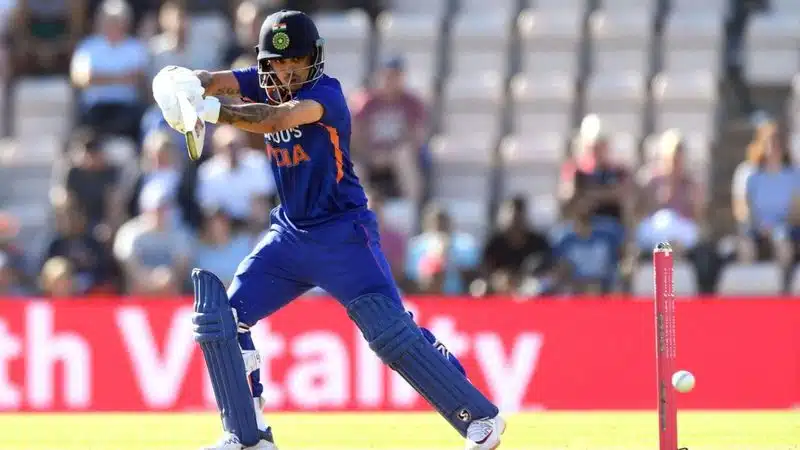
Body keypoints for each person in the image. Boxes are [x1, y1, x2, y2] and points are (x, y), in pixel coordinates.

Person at [152, 10, 504, 450]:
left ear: (313, 59)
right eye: (278, 63)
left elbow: (274, 119)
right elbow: (214, 80)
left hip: (342, 234)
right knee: (221, 320)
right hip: (289, 235)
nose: (286, 71)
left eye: (296, 61)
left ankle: (480, 417)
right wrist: (183, 82)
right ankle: (247, 436)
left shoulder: (326, 95)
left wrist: (208, 109)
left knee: (391, 333)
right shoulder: (264, 81)